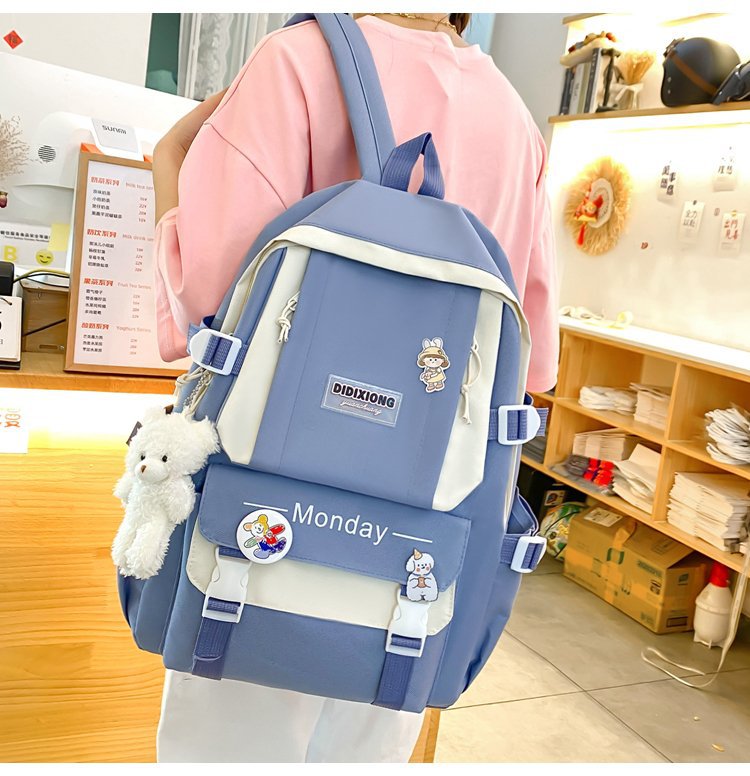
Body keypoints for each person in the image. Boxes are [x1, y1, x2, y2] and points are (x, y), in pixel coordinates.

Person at [152, 12, 559, 763]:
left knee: (230, 744)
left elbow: (208, 303)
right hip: (424, 543)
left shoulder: (295, 62)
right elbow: (530, 366)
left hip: (262, 517)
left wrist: (166, 167)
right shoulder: (515, 120)